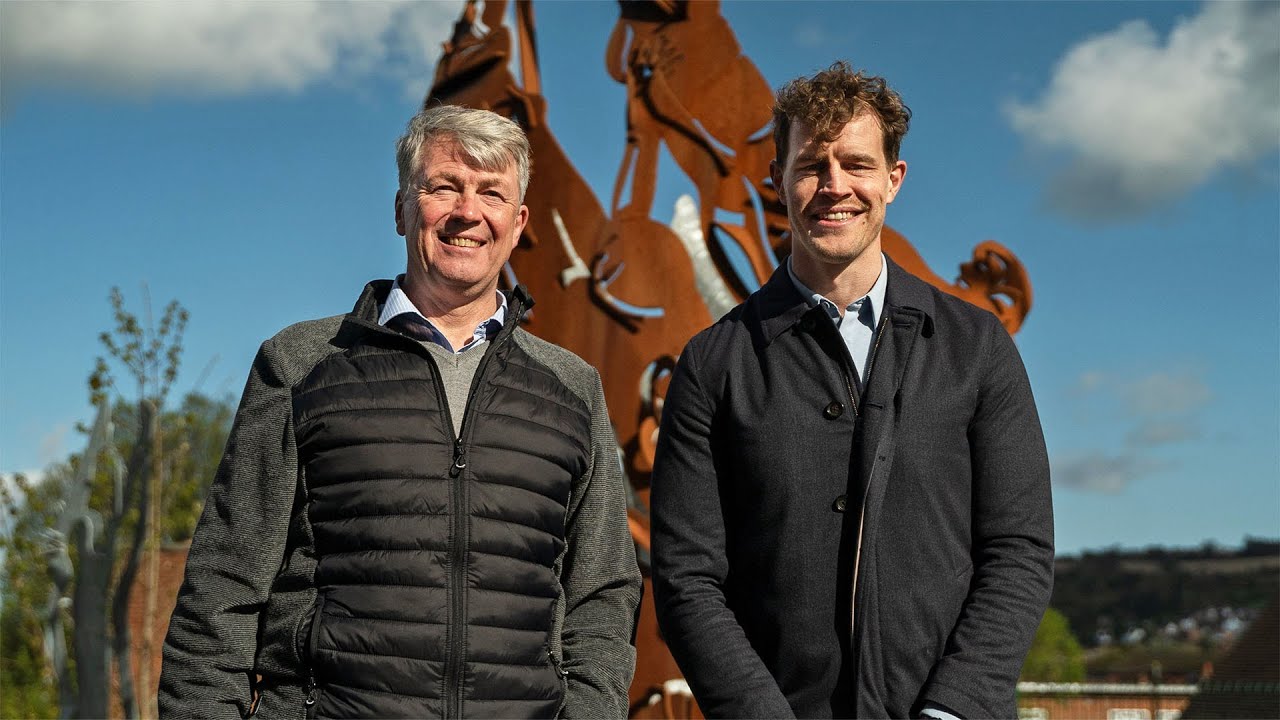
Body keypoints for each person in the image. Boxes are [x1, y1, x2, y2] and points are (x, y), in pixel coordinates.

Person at [160, 104, 642, 719]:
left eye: (492, 193)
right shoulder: (301, 363)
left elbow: (602, 593)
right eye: (444, 187)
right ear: (400, 209)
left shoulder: (572, 388)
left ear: (518, 223)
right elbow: (222, 587)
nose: (468, 212)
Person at [650, 62, 1053, 719]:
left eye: (857, 165)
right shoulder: (713, 364)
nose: (834, 187)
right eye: (811, 165)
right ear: (777, 180)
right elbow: (686, 578)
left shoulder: (977, 348)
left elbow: (1017, 552)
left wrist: (954, 709)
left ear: (893, 180)